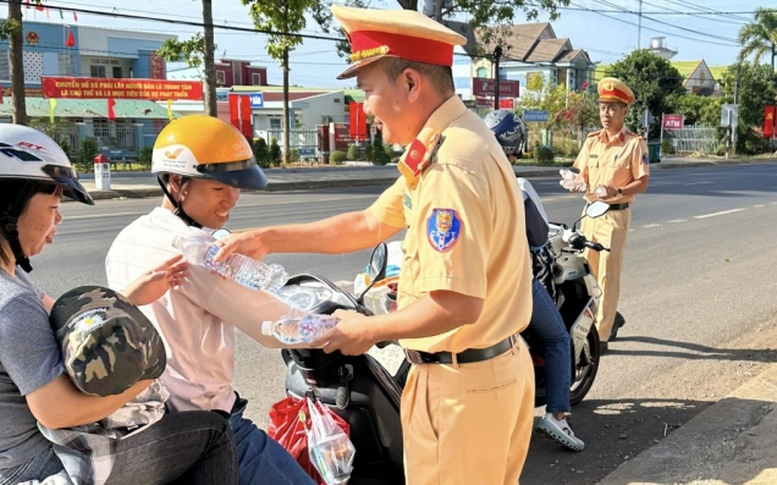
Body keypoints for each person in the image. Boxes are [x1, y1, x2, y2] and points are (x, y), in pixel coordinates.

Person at [214, 5, 536, 484]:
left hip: (459, 388)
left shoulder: (449, 165)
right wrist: (268, 238)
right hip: (488, 375)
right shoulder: (454, 142)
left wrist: (365, 330)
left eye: (368, 91)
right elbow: (368, 223)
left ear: (409, 83)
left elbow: (457, 303)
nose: (363, 106)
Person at [0, 124, 238, 484]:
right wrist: (146, 377)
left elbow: (59, 318)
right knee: (212, 432)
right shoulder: (10, 301)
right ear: (9, 207)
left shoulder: (12, 278)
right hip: (40, 468)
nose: (58, 219)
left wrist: (130, 297)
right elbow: (55, 410)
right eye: (52, 206)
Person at [105, 114, 315, 485]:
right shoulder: (196, 251)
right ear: (176, 183)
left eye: (236, 187)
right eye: (219, 189)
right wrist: (345, 326)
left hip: (149, 432)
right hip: (210, 428)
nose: (231, 200)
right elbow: (273, 325)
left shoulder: (127, 237)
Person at [485, 109, 585, 451]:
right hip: (512, 286)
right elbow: (540, 237)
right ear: (517, 147)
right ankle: (558, 416)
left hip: (470, 289)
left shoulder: (463, 182)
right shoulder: (520, 187)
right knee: (558, 339)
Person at [569, 77, 650, 351]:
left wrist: (616, 191)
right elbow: (583, 173)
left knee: (607, 276)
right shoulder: (592, 141)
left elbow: (643, 180)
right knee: (582, 273)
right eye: (603, 107)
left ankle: (601, 336)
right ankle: (603, 318)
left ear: (624, 111)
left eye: (613, 108)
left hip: (614, 215)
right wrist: (577, 181)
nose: (606, 114)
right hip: (589, 214)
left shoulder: (634, 144)